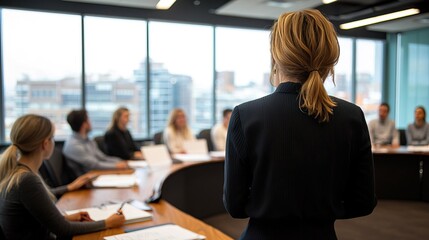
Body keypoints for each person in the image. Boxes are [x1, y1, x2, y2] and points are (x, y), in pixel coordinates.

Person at [223, 9, 376, 240]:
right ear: (329, 57)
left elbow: (234, 206)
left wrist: (266, 206)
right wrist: (324, 210)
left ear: (276, 56)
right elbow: (363, 202)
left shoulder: (245, 116)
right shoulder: (351, 117)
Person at [0, 114, 125, 240]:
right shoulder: (27, 179)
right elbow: (63, 229)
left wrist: (68, 192)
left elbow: (39, 204)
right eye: (52, 137)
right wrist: (107, 223)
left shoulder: (20, 171)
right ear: (45, 144)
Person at [63, 109, 128, 177]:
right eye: (88, 120)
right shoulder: (74, 145)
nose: (91, 122)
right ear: (84, 124)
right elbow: (94, 165)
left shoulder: (88, 140)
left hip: (96, 174)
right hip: (87, 181)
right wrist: (116, 166)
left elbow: (102, 157)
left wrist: (120, 161)